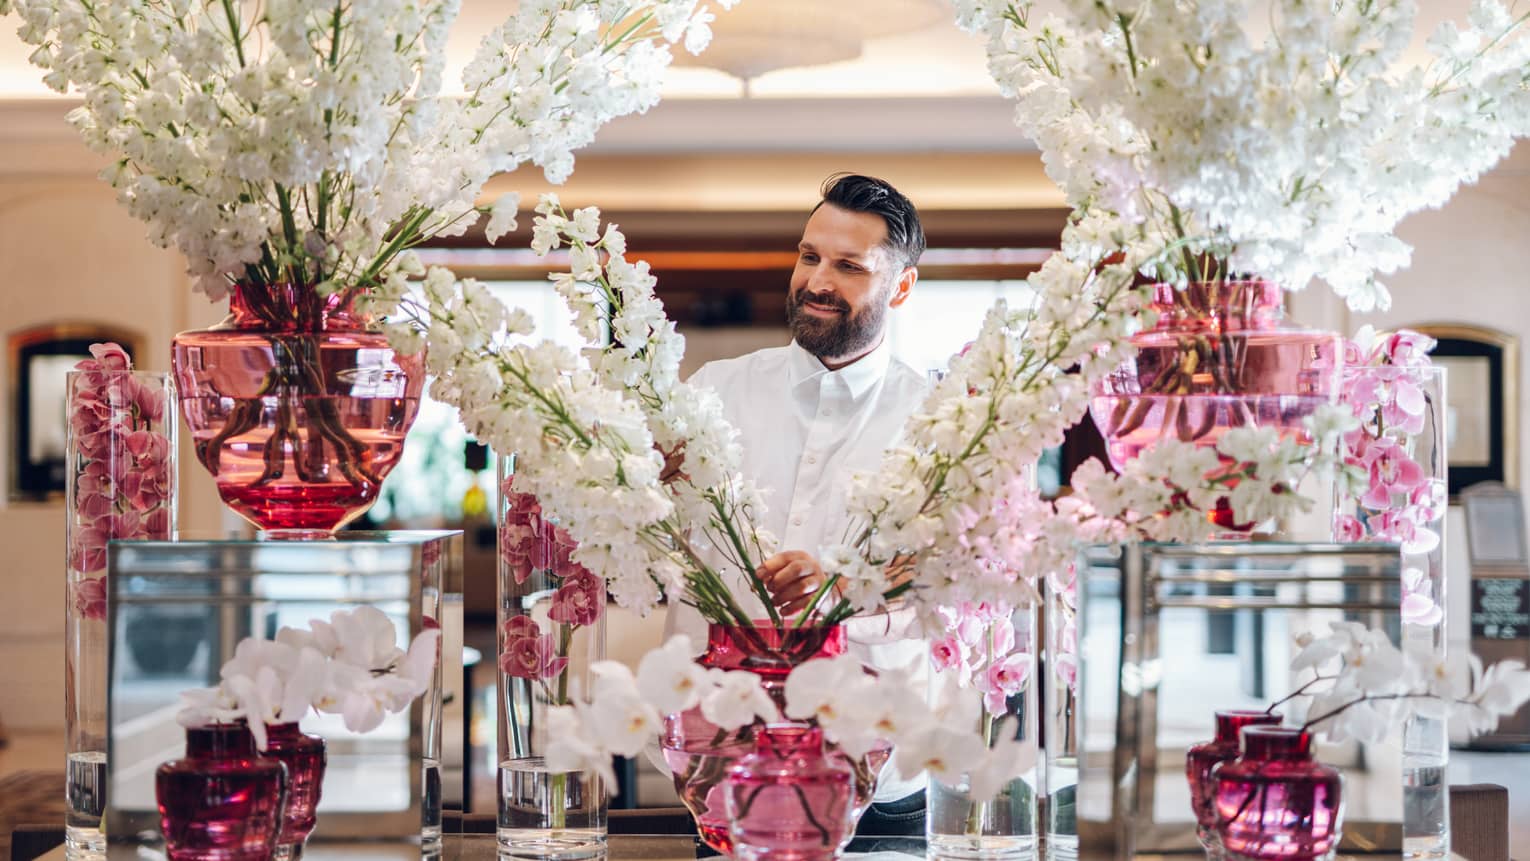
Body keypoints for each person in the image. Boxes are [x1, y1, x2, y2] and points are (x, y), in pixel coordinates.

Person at [670, 172, 931, 831]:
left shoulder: (940, 420)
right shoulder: (710, 394)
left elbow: (960, 586)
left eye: (849, 266)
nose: (817, 280)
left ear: (900, 286)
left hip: (880, 780)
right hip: (722, 774)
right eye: (809, 256)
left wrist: (845, 592)